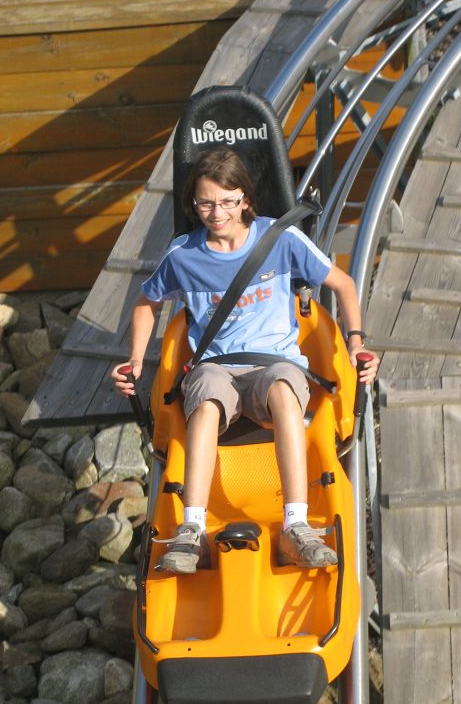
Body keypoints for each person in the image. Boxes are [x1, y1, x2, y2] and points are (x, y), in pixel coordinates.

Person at [112, 148, 379, 574]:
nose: (217, 213)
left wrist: (356, 343)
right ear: (194, 204)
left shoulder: (280, 240)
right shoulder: (183, 255)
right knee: (205, 401)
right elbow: (147, 302)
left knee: (283, 389)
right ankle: (192, 529)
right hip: (216, 364)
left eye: (227, 202)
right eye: (205, 203)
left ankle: (296, 525)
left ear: (245, 201)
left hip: (273, 363)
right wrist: (135, 359)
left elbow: (343, 285)